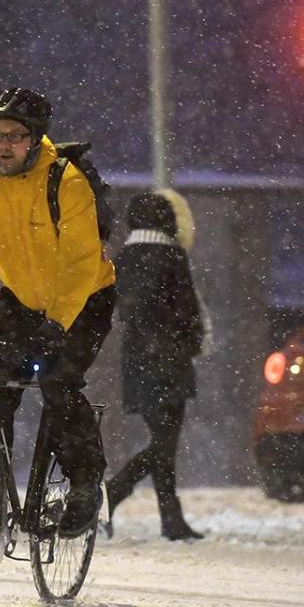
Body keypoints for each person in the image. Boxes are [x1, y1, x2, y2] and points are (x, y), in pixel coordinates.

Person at [0, 88, 117, 538]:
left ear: (36, 139)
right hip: (21, 299)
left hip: (84, 299)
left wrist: (57, 325)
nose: (4, 144)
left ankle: (83, 486)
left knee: (57, 382)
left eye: (15, 136)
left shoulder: (67, 182)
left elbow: (81, 262)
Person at [105, 190, 205, 540]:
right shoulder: (172, 256)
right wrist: (191, 343)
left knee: (162, 442)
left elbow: (125, 309)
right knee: (165, 443)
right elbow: (188, 310)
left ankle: (170, 518)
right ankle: (115, 490)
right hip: (170, 359)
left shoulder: (123, 258)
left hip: (137, 358)